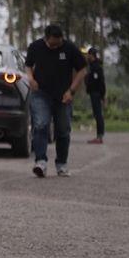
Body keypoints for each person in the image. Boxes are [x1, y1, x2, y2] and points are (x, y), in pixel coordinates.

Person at [25, 24, 87, 178]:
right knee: (40, 124)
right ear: (46, 39)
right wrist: (31, 79)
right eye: (53, 44)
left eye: (59, 43)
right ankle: (40, 162)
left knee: (63, 129)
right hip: (41, 94)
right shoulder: (35, 47)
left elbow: (82, 70)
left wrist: (71, 91)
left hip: (63, 96)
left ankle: (62, 164)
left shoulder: (69, 49)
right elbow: (27, 65)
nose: (56, 46)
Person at [85, 47, 106, 144]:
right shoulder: (93, 66)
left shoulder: (96, 67)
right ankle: (99, 136)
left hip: (96, 93)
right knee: (97, 114)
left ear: (91, 55)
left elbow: (100, 82)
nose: (87, 56)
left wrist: (102, 95)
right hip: (94, 93)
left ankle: (99, 136)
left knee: (98, 115)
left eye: (88, 54)